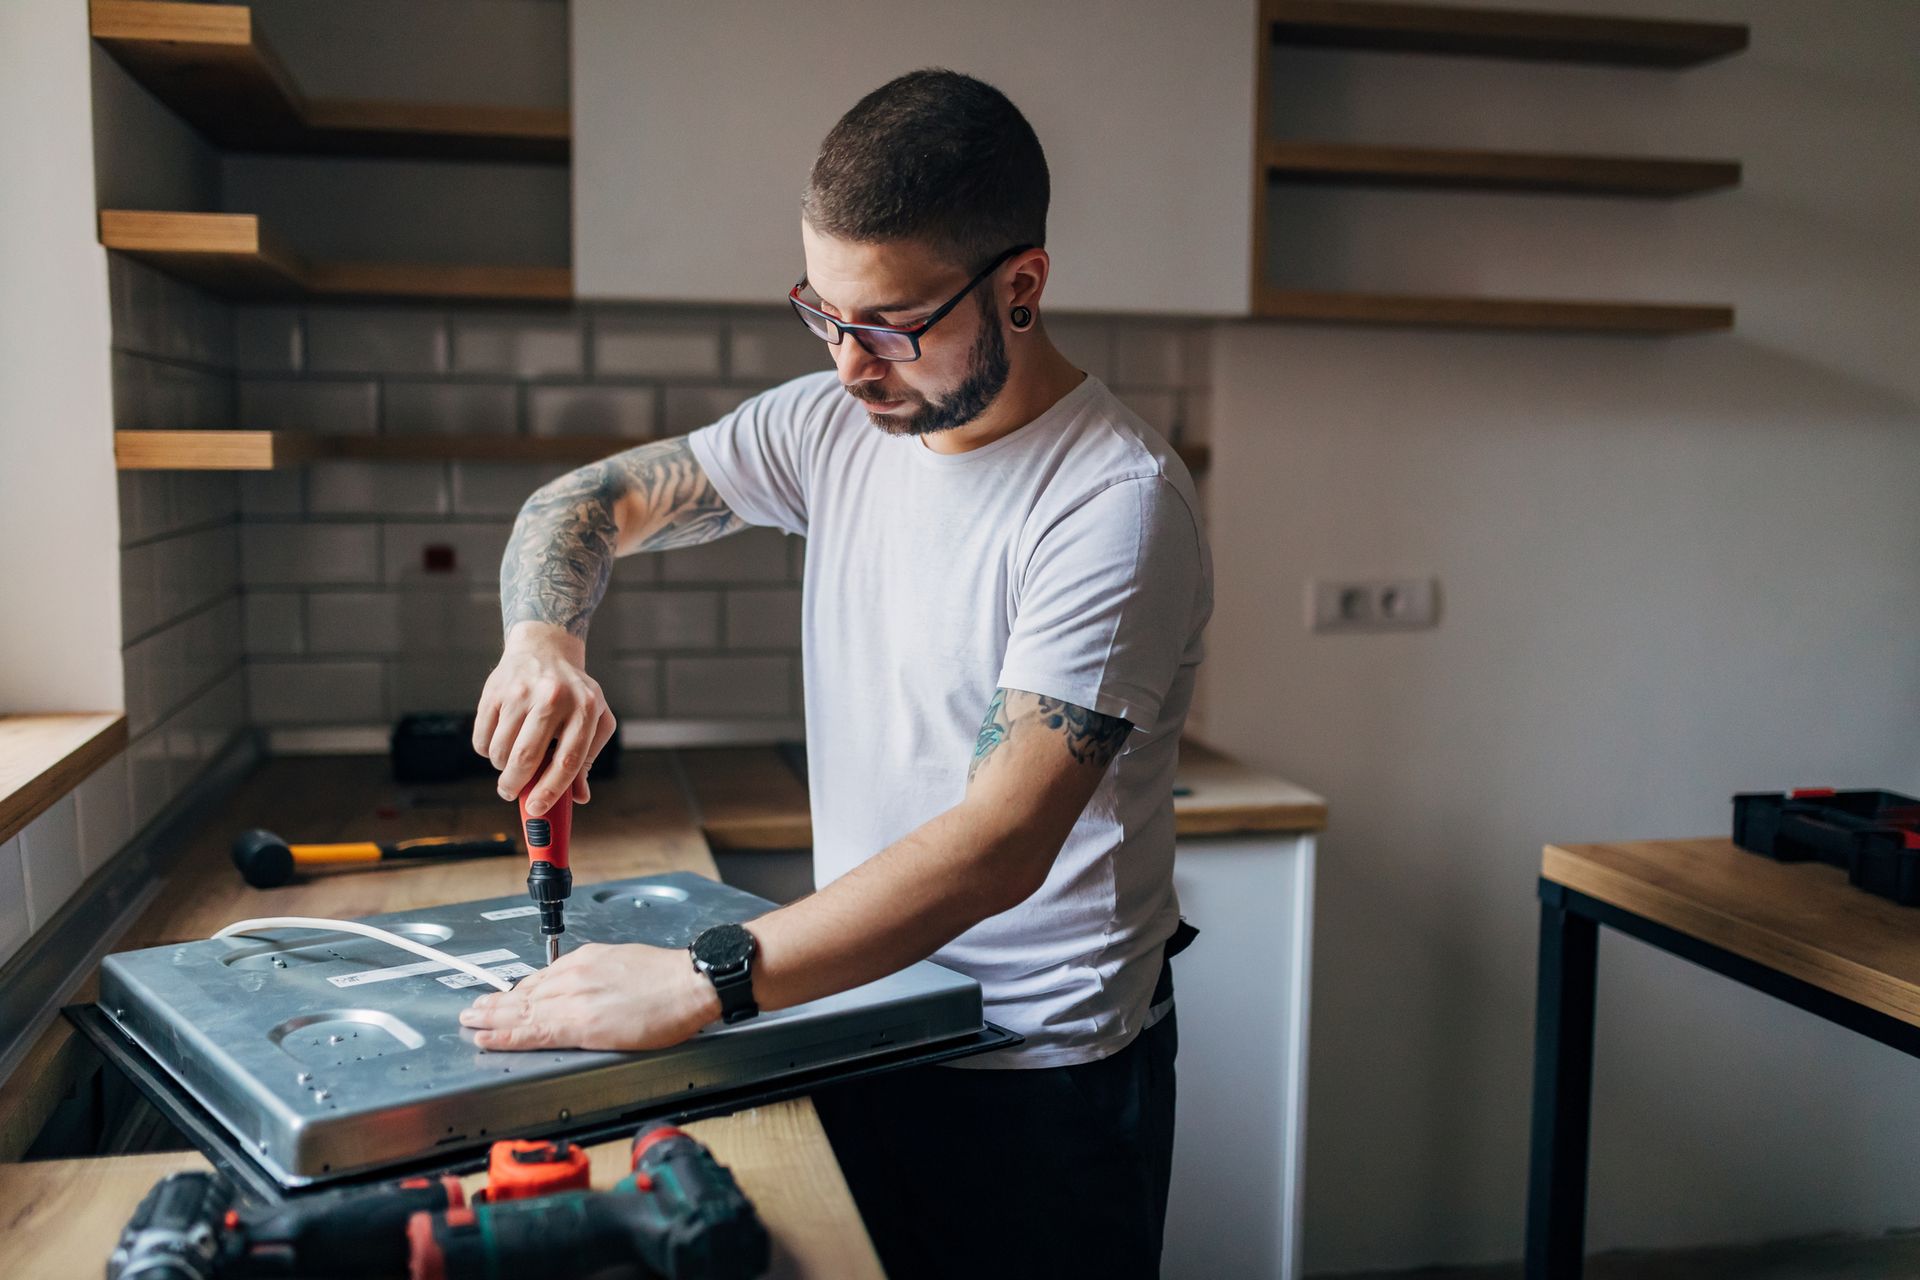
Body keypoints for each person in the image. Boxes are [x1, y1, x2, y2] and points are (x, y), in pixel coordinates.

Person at [459, 67, 1212, 1279]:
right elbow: (584, 502)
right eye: (824, 312)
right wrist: (543, 640)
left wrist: (703, 982)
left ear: (1022, 286)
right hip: (855, 1016)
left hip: (1036, 1081)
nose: (852, 363)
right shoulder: (833, 423)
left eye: (894, 325)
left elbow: (999, 844)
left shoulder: (1112, 504)